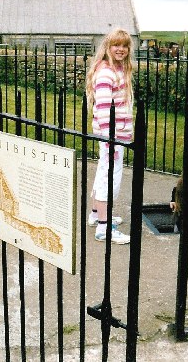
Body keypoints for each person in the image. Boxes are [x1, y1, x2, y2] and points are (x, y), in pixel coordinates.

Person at [85, 28, 135, 244]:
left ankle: (97, 214)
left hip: (114, 135)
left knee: (103, 173)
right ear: (108, 47)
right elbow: (105, 110)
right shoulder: (106, 73)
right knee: (109, 178)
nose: (121, 49)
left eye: (125, 46)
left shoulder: (117, 69)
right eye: (117, 45)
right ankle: (104, 228)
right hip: (112, 136)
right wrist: (110, 140)